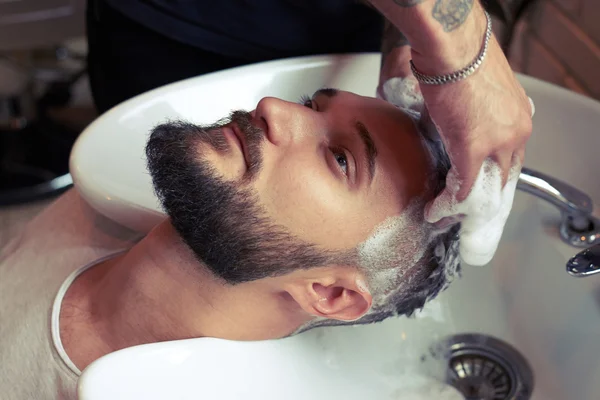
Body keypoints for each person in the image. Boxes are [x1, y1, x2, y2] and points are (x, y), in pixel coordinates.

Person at [1, 88, 460, 400]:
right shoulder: (89, 206)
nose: (273, 107)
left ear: (330, 293)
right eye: (311, 104)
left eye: (340, 159)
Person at [87, 0, 533, 260]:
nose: (271, 107)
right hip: (186, 28)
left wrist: (407, 40)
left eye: (341, 159)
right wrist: (459, 41)